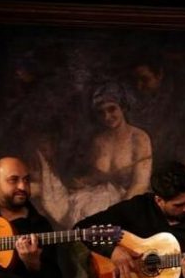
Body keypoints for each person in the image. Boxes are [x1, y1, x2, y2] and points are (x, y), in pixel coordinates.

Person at [39, 81, 153, 228]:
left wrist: (119, 214)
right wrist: (84, 181)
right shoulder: (98, 140)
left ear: (123, 108)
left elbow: (140, 184)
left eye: (112, 109)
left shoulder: (139, 138)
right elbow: (95, 177)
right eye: (101, 112)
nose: (107, 116)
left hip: (130, 202)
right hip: (100, 200)